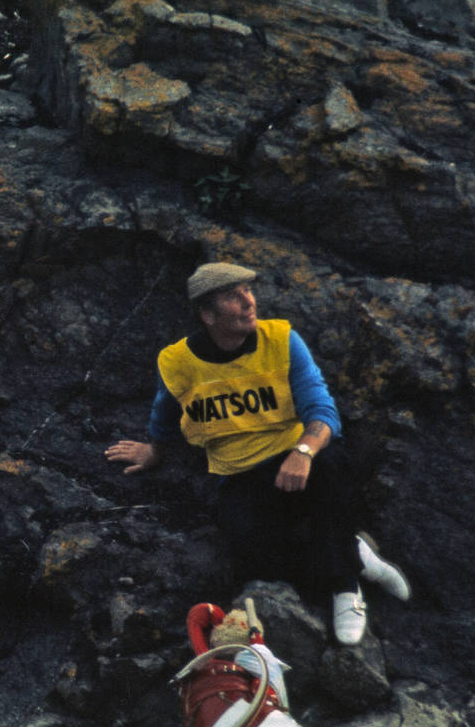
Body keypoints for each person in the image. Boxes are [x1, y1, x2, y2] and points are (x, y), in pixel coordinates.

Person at [105, 262, 409, 643]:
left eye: (248, 291)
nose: (249, 302)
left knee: (332, 464)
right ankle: (355, 553)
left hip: (297, 458)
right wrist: (154, 450)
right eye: (234, 296)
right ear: (207, 315)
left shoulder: (282, 340)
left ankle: (345, 585)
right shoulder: (177, 362)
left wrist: (303, 452)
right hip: (239, 474)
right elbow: (165, 411)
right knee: (258, 563)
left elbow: (323, 411)